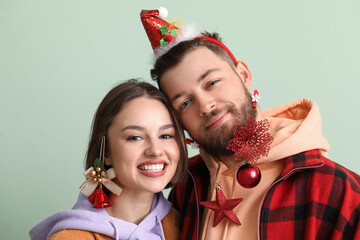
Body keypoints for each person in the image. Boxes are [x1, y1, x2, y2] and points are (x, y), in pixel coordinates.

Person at [141, 8, 360, 240]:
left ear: (244, 76)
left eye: (212, 82)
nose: (205, 106)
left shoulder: (342, 193)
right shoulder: (186, 188)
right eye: (185, 102)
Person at [29, 79, 187, 240]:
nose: (155, 150)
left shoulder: (187, 227)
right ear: (106, 153)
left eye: (166, 135)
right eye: (135, 137)